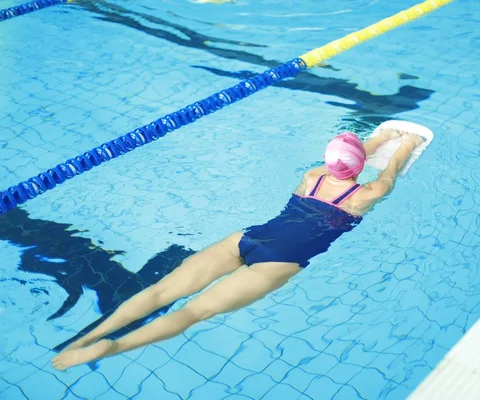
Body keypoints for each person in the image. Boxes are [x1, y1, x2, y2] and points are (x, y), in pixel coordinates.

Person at [51, 128, 425, 370]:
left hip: (247, 237)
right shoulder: (366, 195)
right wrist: (404, 143)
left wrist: (374, 139)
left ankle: (87, 338)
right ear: (359, 166)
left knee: (160, 291)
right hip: (278, 262)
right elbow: (389, 171)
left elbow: (351, 157)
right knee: (194, 312)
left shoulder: (312, 176)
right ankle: (113, 349)